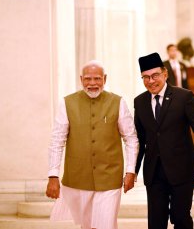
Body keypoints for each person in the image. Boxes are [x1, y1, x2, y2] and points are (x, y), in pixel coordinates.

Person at [45, 60, 139, 229]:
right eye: (88, 79)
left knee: (106, 224)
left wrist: (130, 171)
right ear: (81, 79)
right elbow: (57, 140)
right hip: (78, 177)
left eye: (97, 79)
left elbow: (131, 138)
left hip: (110, 176)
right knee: (88, 225)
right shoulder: (67, 103)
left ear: (105, 79)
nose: (92, 83)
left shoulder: (118, 102)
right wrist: (53, 175)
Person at [134, 52, 194, 229]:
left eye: (155, 75)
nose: (151, 81)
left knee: (181, 217)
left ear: (165, 74)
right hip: (154, 172)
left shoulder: (184, 97)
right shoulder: (140, 102)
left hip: (182, 170)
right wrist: (132, 171)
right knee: (156, 222)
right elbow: (140, 140)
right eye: (146, 77)